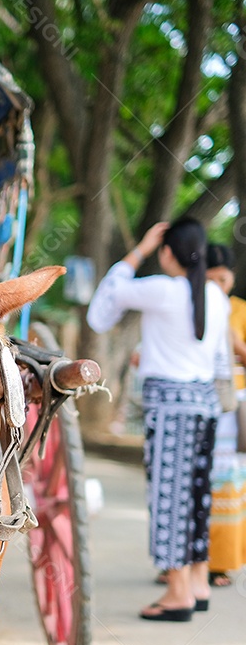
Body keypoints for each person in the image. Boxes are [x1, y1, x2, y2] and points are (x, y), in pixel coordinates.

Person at [87, 216, 228, 621]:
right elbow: (218, 360)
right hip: (205, 407)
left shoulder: (163, 290)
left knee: (169, 499)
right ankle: (197, 583)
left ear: (169, 252)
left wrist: (140, 249)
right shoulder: (214, 296)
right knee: (197, 497)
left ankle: (177, 594)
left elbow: (102, 309)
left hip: (170, 408)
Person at [205, 243, 246, 587]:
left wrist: (235, 343)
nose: (218, 285)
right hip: (198, 402)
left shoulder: (240, 311)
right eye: (211, 278)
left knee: (226, 485)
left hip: (232, 414)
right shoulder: (193, 303)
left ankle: (222, 563)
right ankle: (182, 563)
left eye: (223, 278)